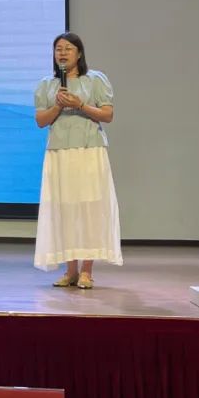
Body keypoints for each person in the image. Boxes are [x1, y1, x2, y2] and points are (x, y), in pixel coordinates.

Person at [32, 32, 121, 289]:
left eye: (68, 48)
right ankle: (70, 271)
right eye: (58, 49)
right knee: (65, 208)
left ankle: (87, 271)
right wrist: (58, 106)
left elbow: (107, 115)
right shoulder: (47, 85)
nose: (62, 53)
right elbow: (41, 121)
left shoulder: (95, 79)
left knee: (89, 207)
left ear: (79, 53)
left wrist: (80, 105)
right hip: (59, 152)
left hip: (89, 151)